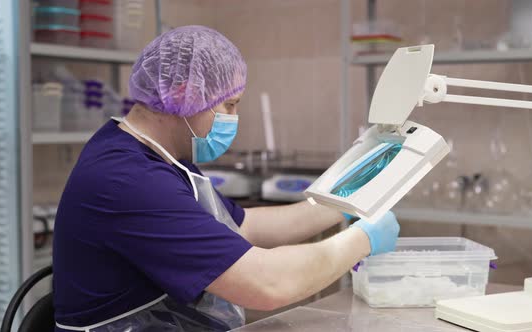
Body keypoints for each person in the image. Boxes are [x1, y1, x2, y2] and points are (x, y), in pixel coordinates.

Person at [52, 25, 400, 332]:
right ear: (181, 94)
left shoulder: (158, 154)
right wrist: (362, 239)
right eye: (230, 105)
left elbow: (244, 225)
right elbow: (266, 284)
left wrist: (342, 202)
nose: (235, 117)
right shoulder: (128, 180)